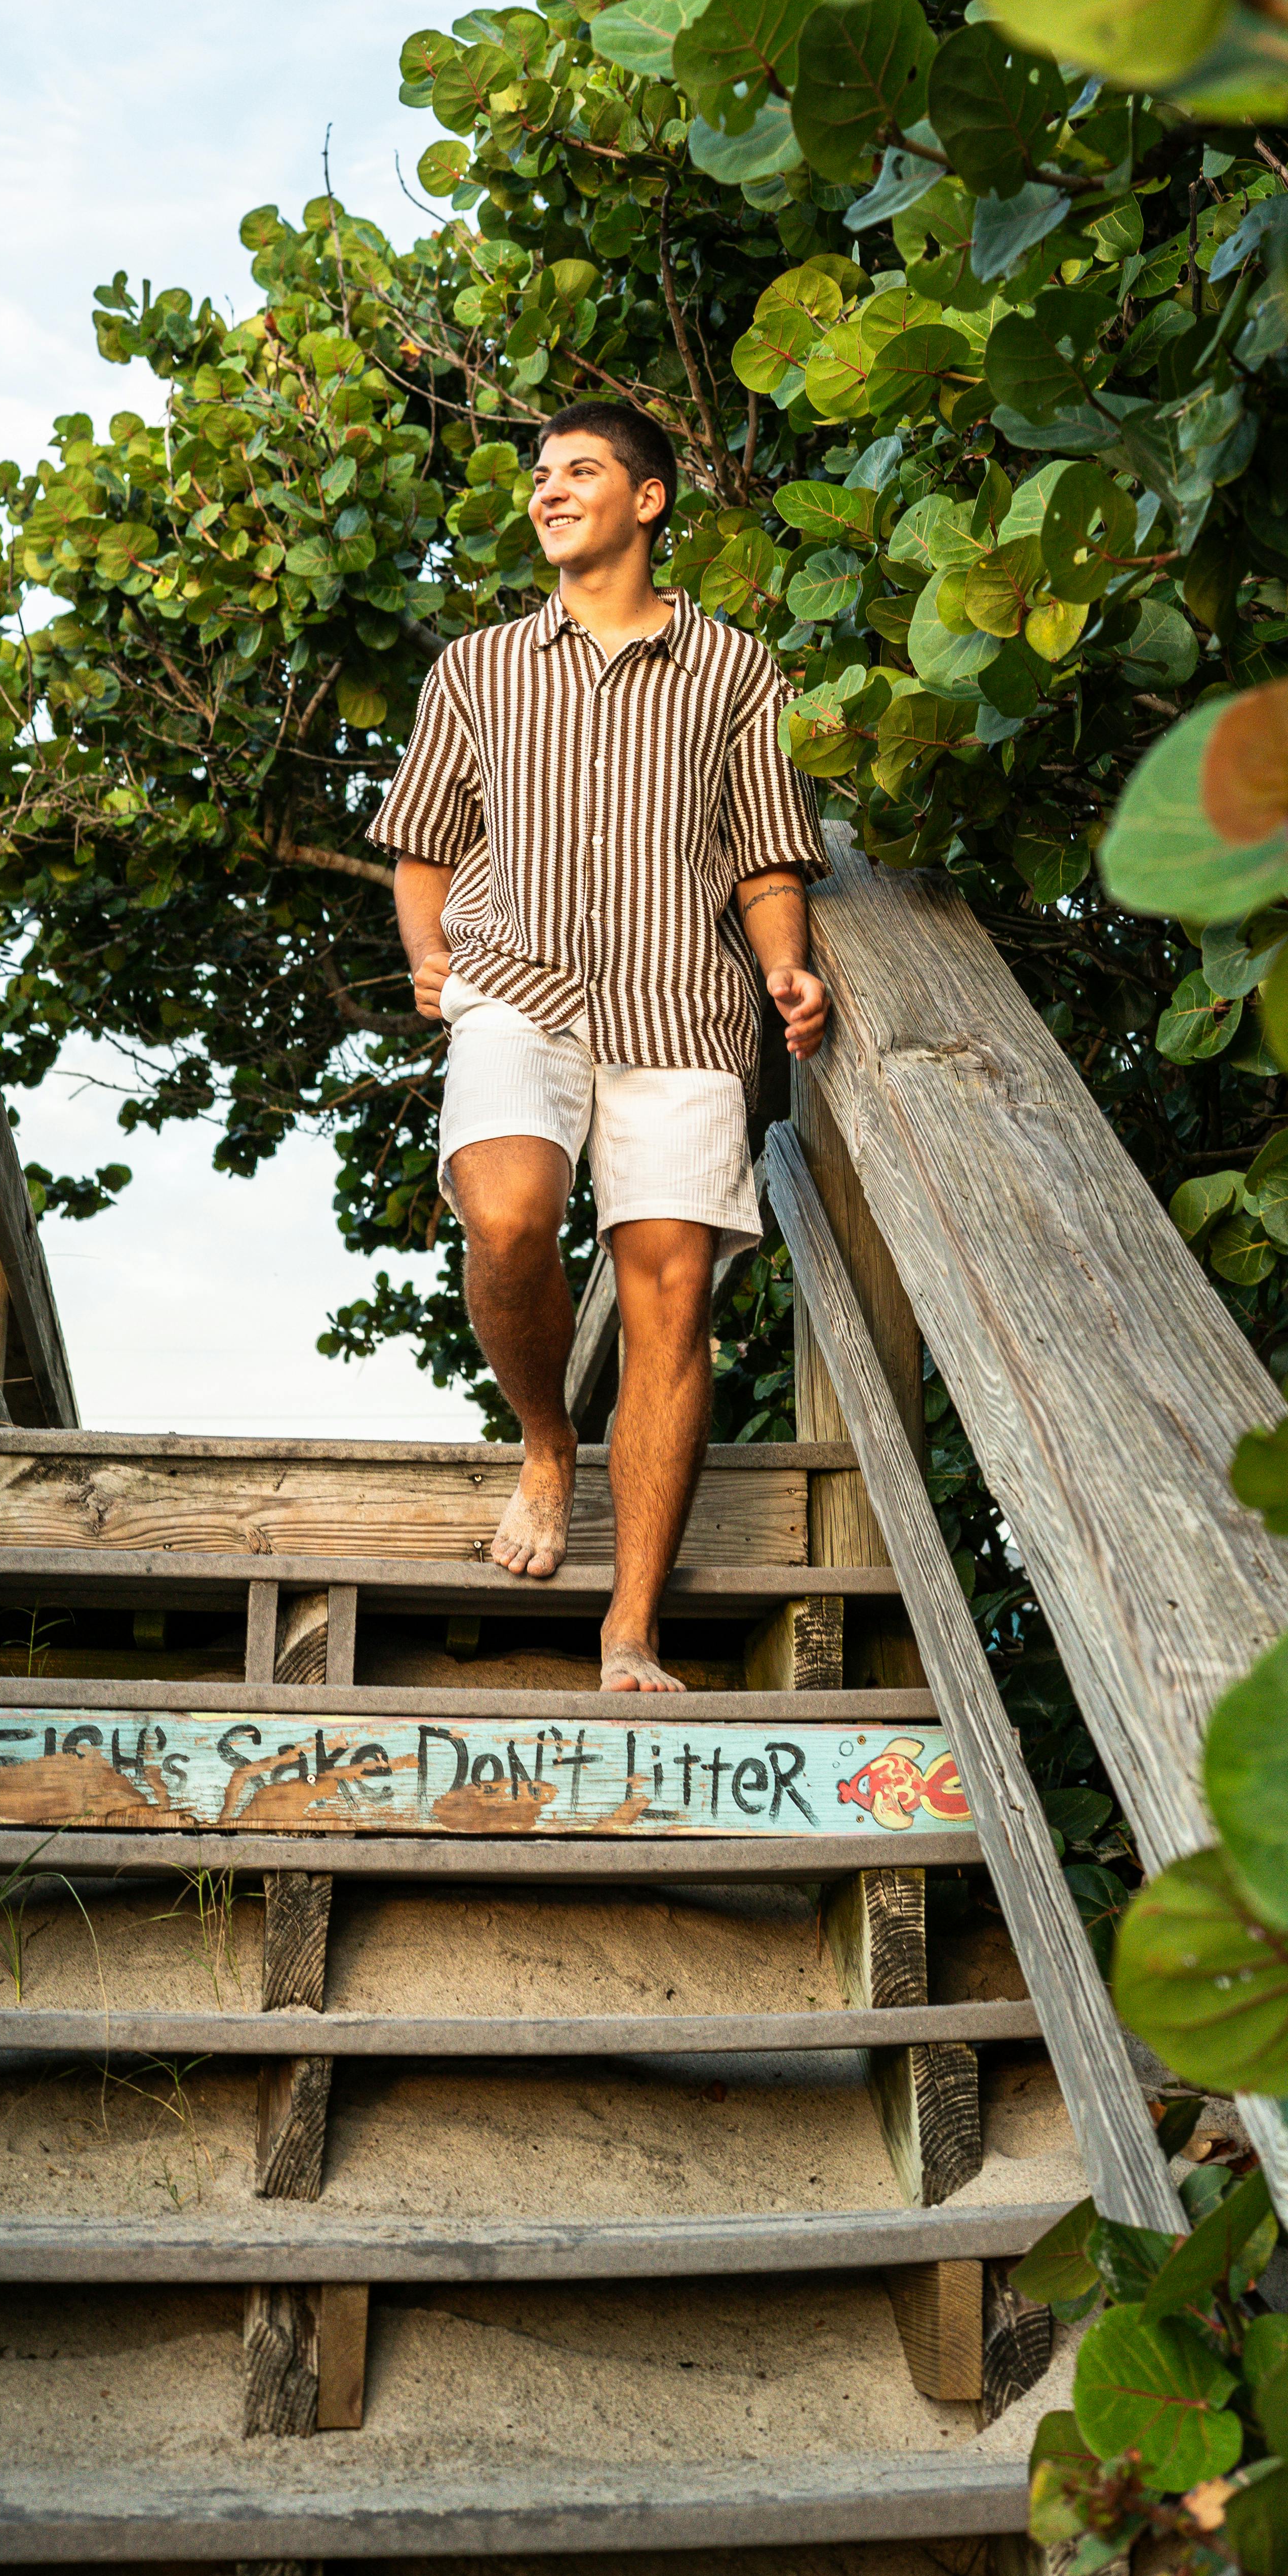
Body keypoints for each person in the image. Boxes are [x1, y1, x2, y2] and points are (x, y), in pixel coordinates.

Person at [371, 400, 829, 1694]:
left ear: (648, 499)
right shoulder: (478, 669)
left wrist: (786, 963)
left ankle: (628, 1629)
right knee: (508, 1213)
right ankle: (543, 1440)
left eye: (579, 471)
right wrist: (426, 953)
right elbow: (422, 843)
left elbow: (767, 856)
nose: (549, 491)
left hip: (682, 1008)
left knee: (666, 1301)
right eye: (540, 475)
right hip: (514, 984)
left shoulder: (736, 670)